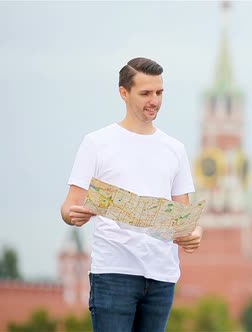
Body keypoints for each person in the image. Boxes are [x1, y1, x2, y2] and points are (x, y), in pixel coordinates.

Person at [60, 57, 203, 332]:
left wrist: (194, 234)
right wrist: (72, 215)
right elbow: (69, 206)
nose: (155, 101)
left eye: (159, 93)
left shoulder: (175, 149)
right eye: (146, 93)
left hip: (162, 275)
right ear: (124, 93)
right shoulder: (97, 144)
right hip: (114, 272)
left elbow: (184, 217)